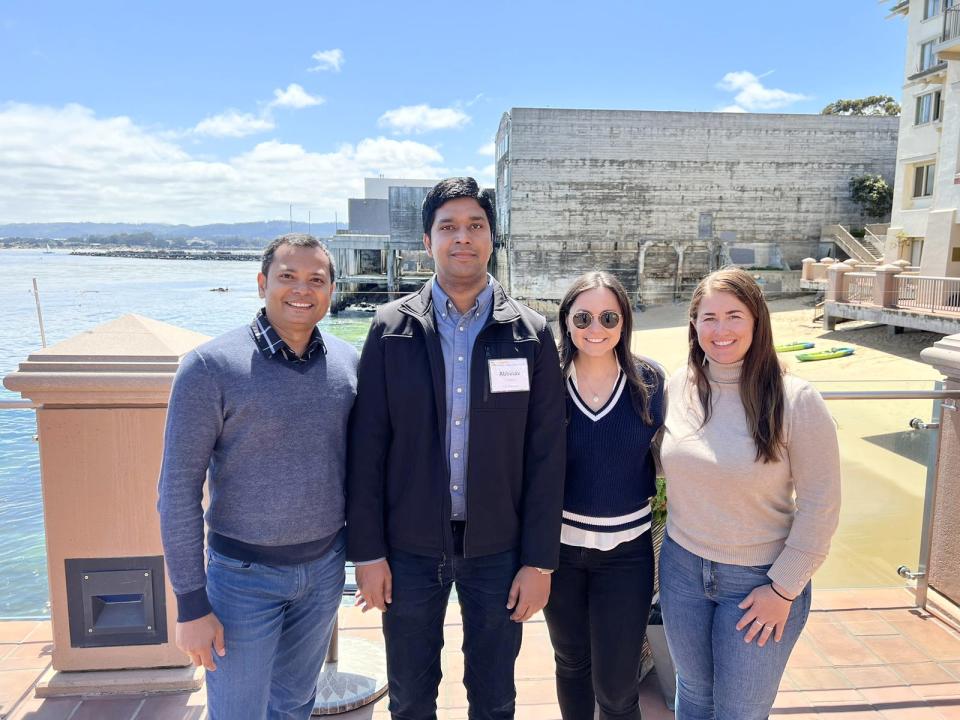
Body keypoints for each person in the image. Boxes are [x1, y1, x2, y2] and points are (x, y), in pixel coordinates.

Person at [347, 177, 566, 720]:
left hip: (500, 550)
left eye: (475, 226)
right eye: (448, 227)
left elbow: (545, 455)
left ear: (494, 238)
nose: (461, 238)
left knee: (494, 697)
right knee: (411, 695)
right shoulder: (390, 329)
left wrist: (539, 561)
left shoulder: (530, 333)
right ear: (428, 241)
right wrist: (368, 554)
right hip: (408, 550)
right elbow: (367, 448)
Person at [157, 234, 358, 720]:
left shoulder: (349, 364)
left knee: (294, 706)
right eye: (287, 276)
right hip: (241, 582)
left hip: (325, 571)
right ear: (262, 283)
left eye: (316, 279)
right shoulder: (208, 368)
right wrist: (190, 603)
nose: (301, 290)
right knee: (237, 712)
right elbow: (177, 492)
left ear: (331, 289)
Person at [659, 267, 841, 720]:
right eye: (709, 317)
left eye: (734, 316)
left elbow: (822, 505)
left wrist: (783, 589)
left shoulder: (796, 400)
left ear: (757, 321)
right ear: (694, 324)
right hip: (681, 570)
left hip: (760, 579)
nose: (721, 330)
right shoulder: (677, 386)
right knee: (694, 694)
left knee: (740, 710)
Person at [543, 271, 664, 720]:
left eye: (609, 317)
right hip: (559, 554)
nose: (596, 328)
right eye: (584, 317)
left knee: (617, 688)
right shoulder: (547, 383)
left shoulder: (649, 381)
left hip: (626, 556)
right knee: (571, 664)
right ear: (567, 322)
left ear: (624, 321)